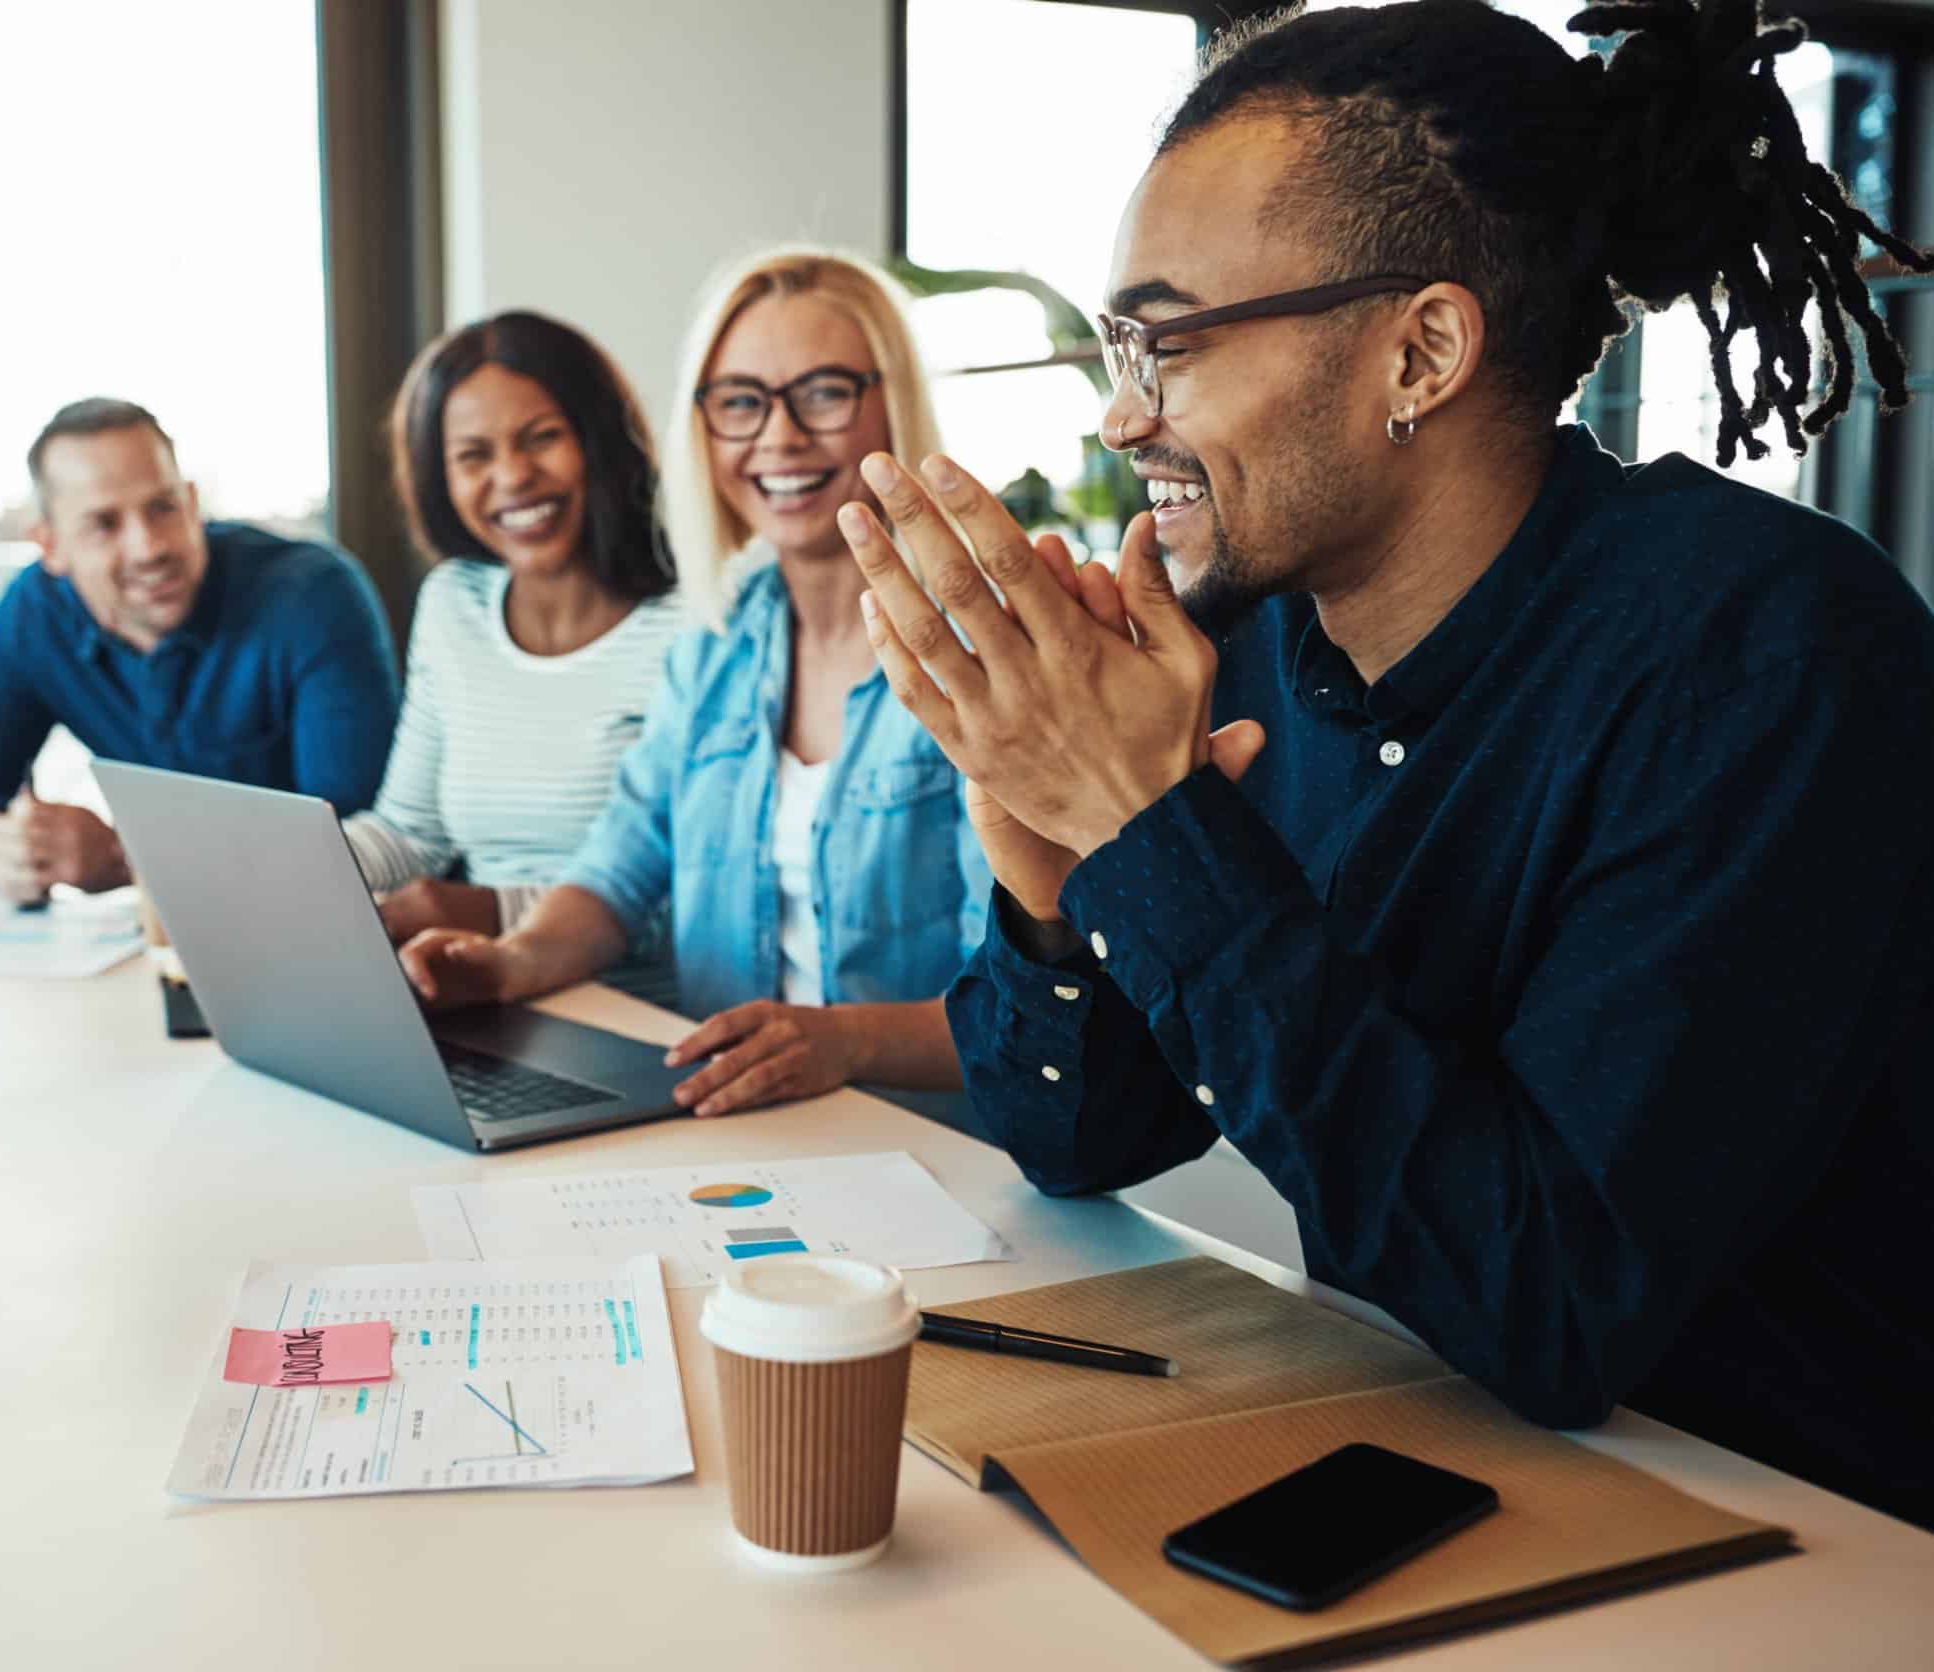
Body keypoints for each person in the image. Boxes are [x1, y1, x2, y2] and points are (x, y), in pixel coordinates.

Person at [849, 0, 1934, 1528]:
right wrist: (1046, 863)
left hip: (1800, 1538)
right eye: (1116, 344)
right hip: (1431, 1466)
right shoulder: (1248, 648)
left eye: (1166, 341)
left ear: (1419, 350)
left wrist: (1148, 824)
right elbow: (1081, 1137)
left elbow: (1553, 1305)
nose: (1119, 410)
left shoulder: (1768, 659)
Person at [398, 249, 991, 1119]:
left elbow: (1032, 1001)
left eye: (824, 393)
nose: (779, 438)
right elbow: (621, 863)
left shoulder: (980, 654)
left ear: (892, 403)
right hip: (737, 1128)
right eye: (741, 404)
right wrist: (511, 962)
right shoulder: (718, 640)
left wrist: (847, 1040)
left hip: (947, 1154)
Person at [0, 397, 401, 900]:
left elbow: (358, 842)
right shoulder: (34, 615)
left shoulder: (313, 596)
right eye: (105, 524)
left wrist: (121, 858)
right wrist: (11, 859)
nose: (150, 548)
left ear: (192, 501)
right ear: (50, 545)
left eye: (163, 508)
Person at [342, 312, 688, 998]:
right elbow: (411, 833)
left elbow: (703, 896)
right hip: (478, 986)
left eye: (543, 439)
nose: (514, 477)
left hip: (645, 1005)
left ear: (599, 441)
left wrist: (494, 910)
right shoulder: (454, 603)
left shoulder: (691, 621)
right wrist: (287, 869)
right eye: (474, 455)